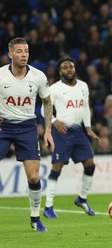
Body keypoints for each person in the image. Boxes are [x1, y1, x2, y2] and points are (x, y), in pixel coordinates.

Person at [0, 37, 55, 232]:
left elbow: (47, 102)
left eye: (26, 51)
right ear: (10, 54)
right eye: (20, 51)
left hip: (27, 128)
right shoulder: (0, 76)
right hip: (3, 127)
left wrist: (47, 130)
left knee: (33, 178)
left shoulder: (38, 76)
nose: (24, 55)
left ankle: (35, 218)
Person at [41, 57, 101, 218]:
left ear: (74, 69)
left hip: (79, 132)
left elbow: (85, 108)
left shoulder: (83, 86)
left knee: (90, 165)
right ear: (60, 72)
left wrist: (88, 128)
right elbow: (42, 109)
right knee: (57, 168)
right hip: (62, 134)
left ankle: (82, 199)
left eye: (71, 67)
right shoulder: (54, 89)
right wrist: (54, 121)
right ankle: (48, 207)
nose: (69, 69)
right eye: (65, 67)